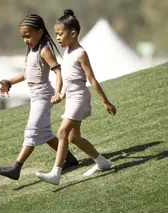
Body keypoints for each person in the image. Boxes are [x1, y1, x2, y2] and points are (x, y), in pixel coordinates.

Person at [0, 14, 79, 181]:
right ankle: (69, 158)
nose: (25, 39)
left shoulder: (44, 49)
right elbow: (27, 73)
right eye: (23, 36)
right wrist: (8, 82)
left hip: (44, 95)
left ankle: (16, 167)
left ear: (40, 32)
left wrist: (57, 93)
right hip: (35, 95)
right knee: (44, 133)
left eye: (28, 35)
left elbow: (58, 71)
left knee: (31, 131)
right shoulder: (32, 50)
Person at [36, 9, 117, 185]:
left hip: (80, 98)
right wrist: (61, 94)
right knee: (73, 137)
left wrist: (105, 101)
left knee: (62, 132)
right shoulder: (67, 53)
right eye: (56, 34)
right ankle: (102, 162)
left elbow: (92, 79)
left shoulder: (81, 53)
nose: (57, 38)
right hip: (72, 98)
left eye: (60, 34)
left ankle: (55, 173)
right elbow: (68, 78)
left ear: (73, 33)